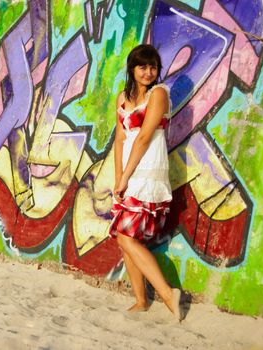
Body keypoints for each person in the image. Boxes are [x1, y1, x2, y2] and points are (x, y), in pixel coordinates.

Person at [109, 44, 182, 321]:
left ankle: (165, 292)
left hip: (147, 172)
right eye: (143, 66)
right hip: (127, 175)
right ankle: (141, 300)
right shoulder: (122, 98)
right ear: (132, 68)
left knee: (126, 236)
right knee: (126, 238)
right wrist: (118, 178)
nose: (149, 72)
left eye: (153, 67)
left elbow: (143, 138)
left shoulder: (159, 95)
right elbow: (120, 140)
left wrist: (126, 177)